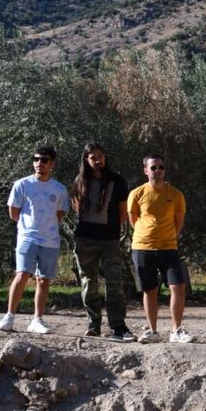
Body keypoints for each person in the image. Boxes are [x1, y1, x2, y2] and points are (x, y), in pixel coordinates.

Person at [0, 147, 69, 335]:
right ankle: (9, 316)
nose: (39, 163)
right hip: (27, 237)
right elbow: (14, 213)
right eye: (36, 159)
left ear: (52, 164)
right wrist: (28, 227)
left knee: (43, 280)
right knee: (22, 274)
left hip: (50, 241)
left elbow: (60, 213)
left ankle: (37, 320)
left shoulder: (60, 189)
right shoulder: (22, 184)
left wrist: (47, 226)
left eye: (44, 160)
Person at [70, 141, 134, 341]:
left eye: (100, 156)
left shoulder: (118, 181)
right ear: (86, 159)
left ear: (105, 157)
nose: (98, 160)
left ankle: (118, 326)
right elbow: (77, 207)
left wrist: (111, 228)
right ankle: (93, 324)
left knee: (114, 282)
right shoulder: (80, 181)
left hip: (109, 239)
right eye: (93, 157)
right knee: (89, 282)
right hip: (85, 238)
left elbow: (123, 213)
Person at [127, 154, 193, 344]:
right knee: (150, 290)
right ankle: (152, 331)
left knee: (178, 286)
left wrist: (167, 237)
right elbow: (133, 220)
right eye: (153, 167)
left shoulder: (176, 195)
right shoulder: (136, 193)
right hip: (142, 248)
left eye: (161, 167)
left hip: (168, 248)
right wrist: (147, 235)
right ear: (145, 170)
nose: (158, 171)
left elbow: (179, 222)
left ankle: (176, 331)